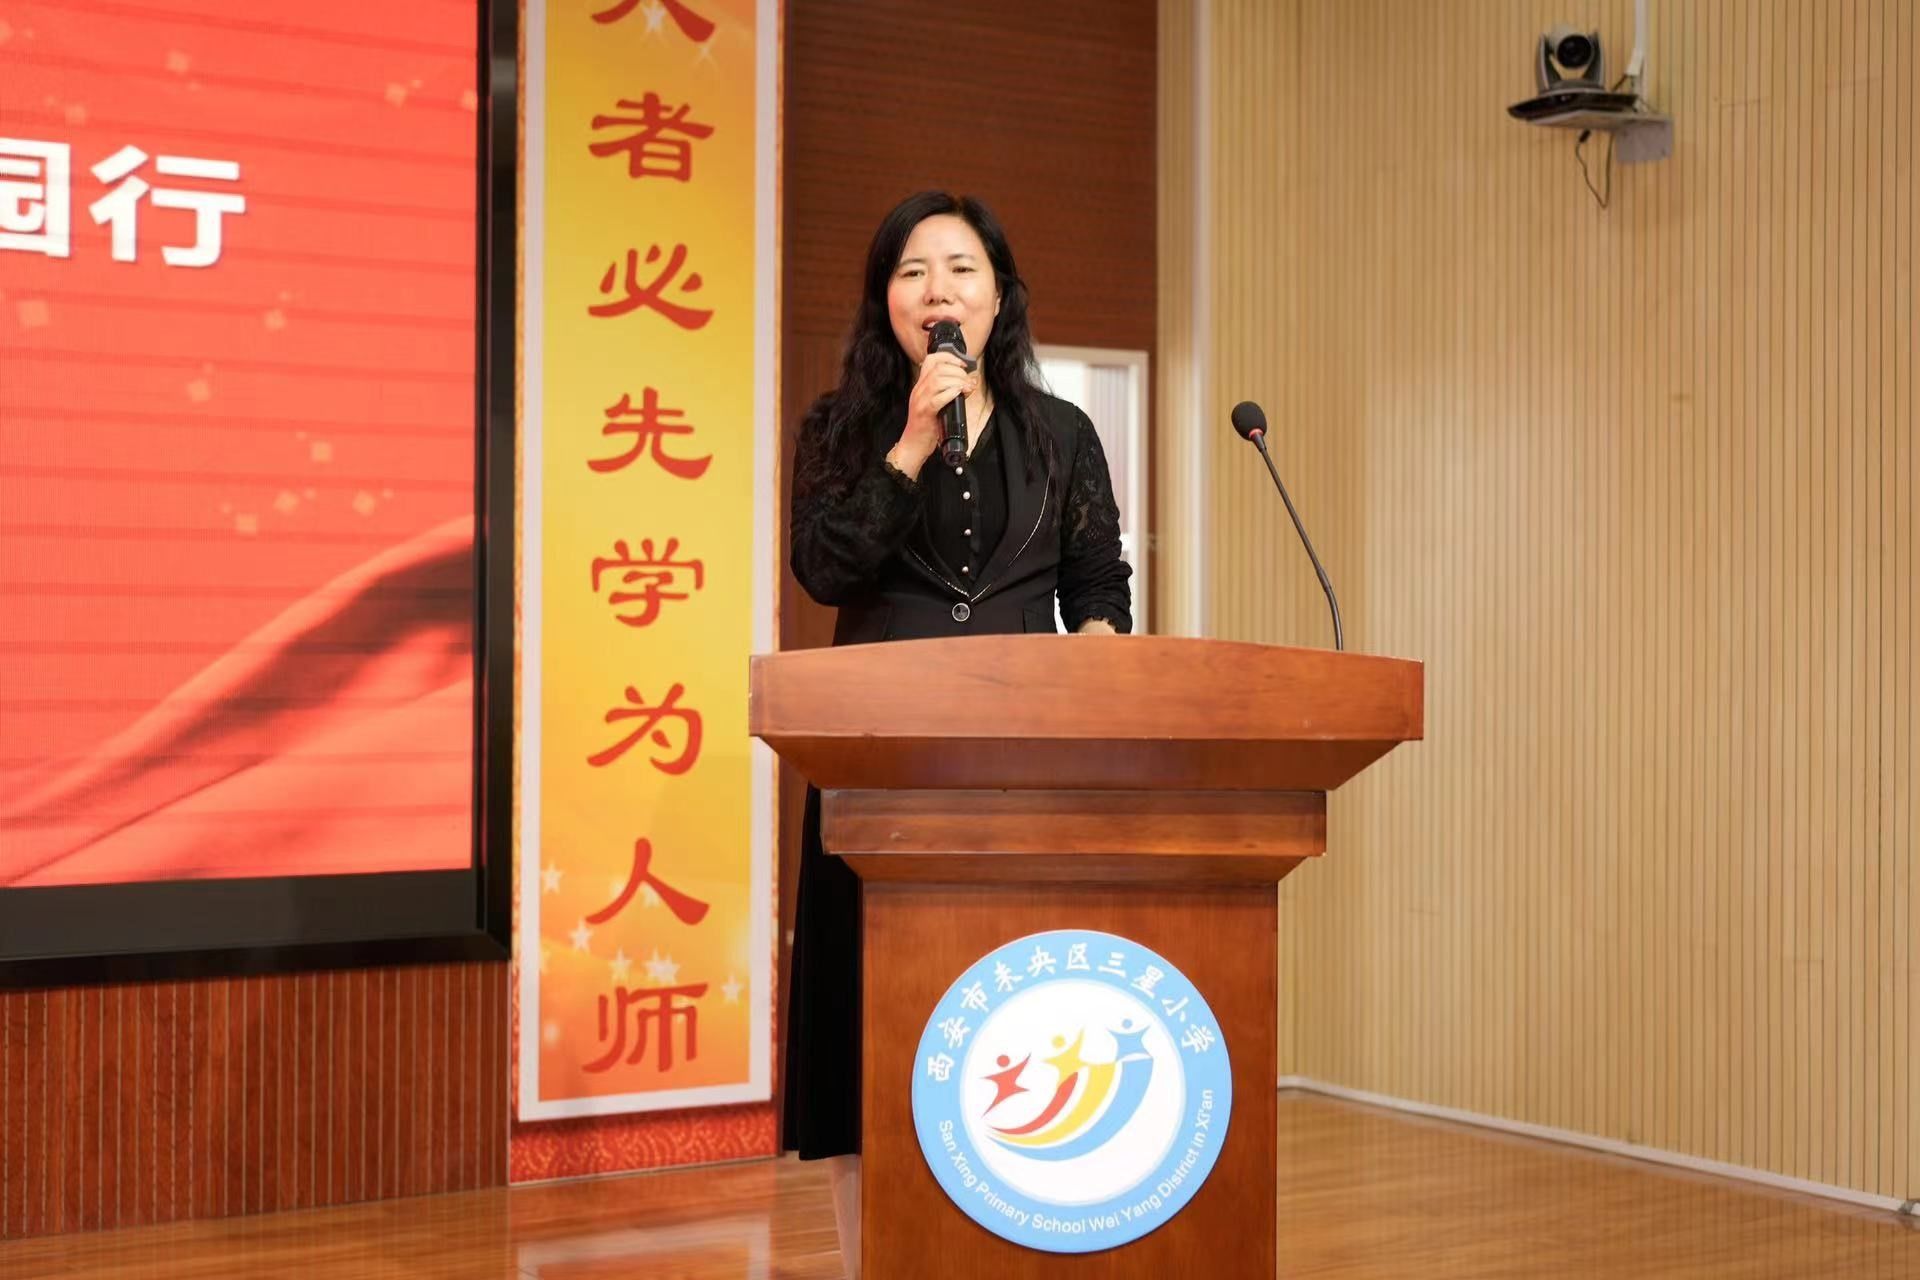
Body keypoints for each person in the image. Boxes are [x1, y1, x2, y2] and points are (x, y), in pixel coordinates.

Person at [782, 190, 1132, 1277]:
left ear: (999, 296)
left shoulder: (1064, 434)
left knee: (1013, 1013)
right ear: (886, 302)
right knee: (868, 1030)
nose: (938, 289)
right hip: (879, 759)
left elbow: (1098, 586)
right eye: (913, 271)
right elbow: (824, 568)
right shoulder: (842, 429)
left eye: (961, 268)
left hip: (1026, 762)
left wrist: (1105, 671)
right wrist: (912, 442)